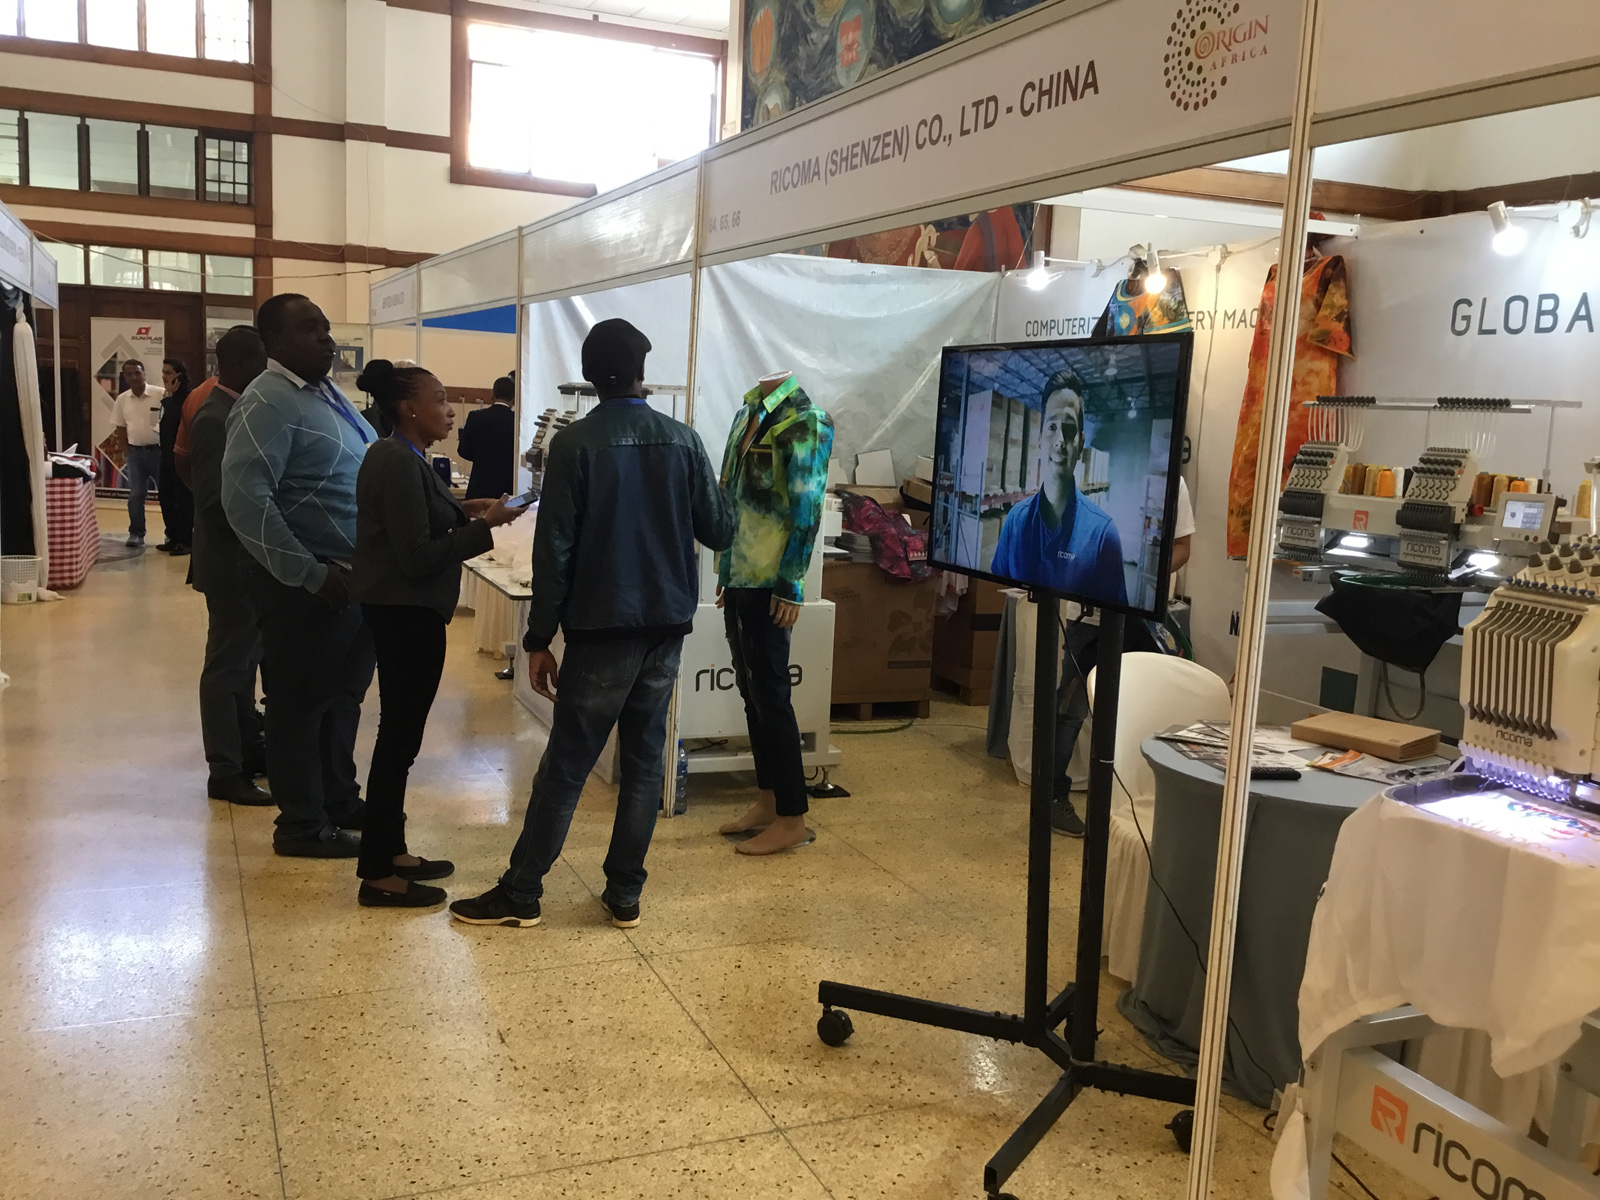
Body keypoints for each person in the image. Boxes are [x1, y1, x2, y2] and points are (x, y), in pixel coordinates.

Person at [450, 318, 734, 929]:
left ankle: (522, 892)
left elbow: (554, 552)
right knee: (644, 762)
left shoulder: (575, 445)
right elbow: (720, 530)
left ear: (588, 376)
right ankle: (625, 893)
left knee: (567, 764)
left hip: (602, 627)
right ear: (641, 372)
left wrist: (537, 637)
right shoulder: (684, 440)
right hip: (666, 625)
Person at [350, 360, 524, 909]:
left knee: (402, 740)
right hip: (405, 613)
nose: (452, 411)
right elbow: (417, 556)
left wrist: (463, 510)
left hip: (408, 612)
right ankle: (378, 873)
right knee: (397, 741)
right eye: (441, 399)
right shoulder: (395, 460)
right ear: (408, 408)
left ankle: (393, 850)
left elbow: (417, 523)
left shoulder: (406, 457)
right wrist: (484, 528)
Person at [223, 294, 378, 858]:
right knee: (298, 705)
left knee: (341, 699)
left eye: (327, 328)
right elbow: (245, 500)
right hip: (308, 585)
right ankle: (301, 824)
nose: (326, 338)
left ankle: (337, 799)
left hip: (352, 578)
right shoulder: (268, 399)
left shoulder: (323, 393)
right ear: (273, 341)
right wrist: (308, 573)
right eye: (310, 329)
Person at [714, 370, 834, 856]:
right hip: (740, 574)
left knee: (772, 694)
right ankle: (768, 800)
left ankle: (792, 816)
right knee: (751, 692)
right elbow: (732, 495)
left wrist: (791, 583)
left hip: (771, 581)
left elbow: (808, 507)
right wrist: (726, 568)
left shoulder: (806, 420)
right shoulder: (746, 413)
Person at [1049, 476, 1194, 838]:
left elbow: (1182, 547)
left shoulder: (1171, 482)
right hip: (1087, 619)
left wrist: (1146, 572)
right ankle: (1051, 798)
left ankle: (1138, 800)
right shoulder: (1084, 476)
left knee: (1143, 711)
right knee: (1069, 711)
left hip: (1141, 618)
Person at [189, 327, 271, 806]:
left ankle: (247, 749)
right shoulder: (214, 418)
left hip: (246, 563)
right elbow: (214, 501)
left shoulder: (237, 411)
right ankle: (224, 769)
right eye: (261, 361)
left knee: (245, 664)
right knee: (226, 667)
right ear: (240, 363)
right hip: (229, 564)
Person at [990, 371, 1127, 607]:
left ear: (1081, 443)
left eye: (1069, 428)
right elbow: (995, 600)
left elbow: (1115, 623)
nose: (1060, 440)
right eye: (1052, 426)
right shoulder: (1014, 522)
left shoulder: (1103, 536)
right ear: (1040, 439)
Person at [110, 360, 162, 548]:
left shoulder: (160, 394)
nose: (134, 377)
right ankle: (136, 533)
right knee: (136, 495)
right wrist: (127, 451)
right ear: (124, 376)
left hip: (159, 453)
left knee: (167, 495)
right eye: (129, 374)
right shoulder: (122, 399)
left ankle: (172, 534)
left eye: (137, 373)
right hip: (136, 455)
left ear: (144, 373)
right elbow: (120, 427)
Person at [156, 358, 195, 555]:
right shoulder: (168, 400)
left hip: (181, 458)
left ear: (179, 376)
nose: (164, 376)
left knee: (183, 500)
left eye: (168, 373)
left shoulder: (188, 399)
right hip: (165, 457)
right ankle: (173, 536)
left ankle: (186, 540)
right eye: (163, 372)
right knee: (166, 498)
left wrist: (171, 397)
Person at [457, 376, 516, 501]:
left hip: (479, 486)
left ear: (492, 393)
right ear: (513, 397)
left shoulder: (475, 417)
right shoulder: (517, 422)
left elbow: (463, 450)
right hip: (507, 488)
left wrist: (481, 457)